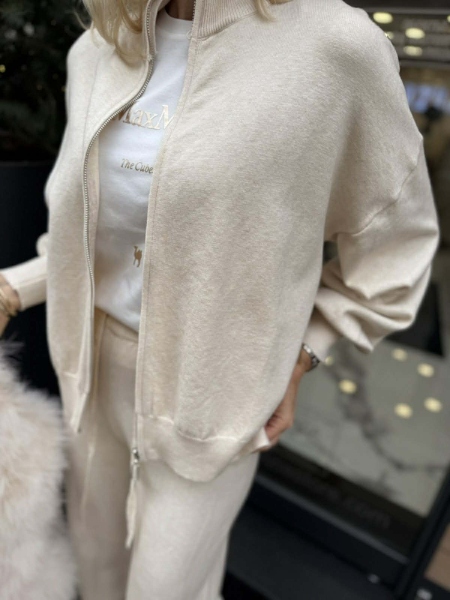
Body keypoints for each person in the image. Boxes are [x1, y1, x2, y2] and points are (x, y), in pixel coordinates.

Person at [0, 0, 440, 597]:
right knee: (96, 574)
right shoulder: (101, 46)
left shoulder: (334, 47)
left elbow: (396, 244)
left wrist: (306, 351)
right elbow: (92, 238)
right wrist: (13, 287)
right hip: (90, 380)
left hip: (215, 396)